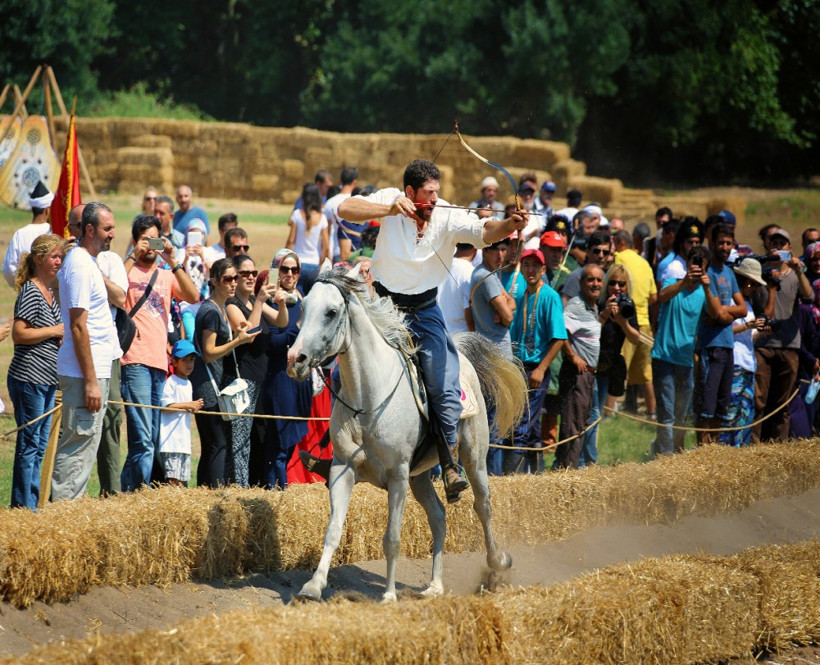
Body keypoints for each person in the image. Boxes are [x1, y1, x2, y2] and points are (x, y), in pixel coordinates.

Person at [335, 159, 526, 501]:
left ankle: (449, 462)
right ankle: (341, 449)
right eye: (428, 193)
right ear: (409, 192)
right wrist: (388, 208)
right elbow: (345, 207)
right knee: (347, 367)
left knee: (442, 383)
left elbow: (485, 233)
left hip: (424, 311)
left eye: (437, 192)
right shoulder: (393, 199)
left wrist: (508, 225)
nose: (435, 199)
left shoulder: (448, 215)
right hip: (382, 307)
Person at [119, 215, 200, 491]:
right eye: (145, 239)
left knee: (151, 438)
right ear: (135, 240)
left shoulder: (166, 273)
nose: (151, 246)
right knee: (142, 438)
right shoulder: (126, 270)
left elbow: (193, 295)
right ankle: (135, 496)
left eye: (155, 239)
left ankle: (128, 492)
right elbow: (113, 290)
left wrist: (173, 259)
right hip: (134, 360)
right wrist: (133, 254)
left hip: (159, 363)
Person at [51, 202, 119, 501]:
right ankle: (62, 523)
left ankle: (68, 516)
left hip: (93, 370)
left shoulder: (87, 262)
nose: (112, 234)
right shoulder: (79, 264)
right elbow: (78, 327)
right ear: (89, 229)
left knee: (83, 452)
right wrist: (91, 381)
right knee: (76, 453)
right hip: (83, 376)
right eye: (107, 228)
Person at [190, 258, 260, 488]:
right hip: (206, 385)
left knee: (213, 444)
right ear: (214, 282)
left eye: (235, 278)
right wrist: (237, 342)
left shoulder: (219, 309)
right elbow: (208, 353)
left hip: (211, 383)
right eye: (227, 279)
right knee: (217, 443)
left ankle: (204, 491)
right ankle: (215, 493)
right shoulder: (210, 311)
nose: (233, 283)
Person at [8, 234, 64, 509]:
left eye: (60, 257)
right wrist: (54, 331)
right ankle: (23, 508)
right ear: (40, 258)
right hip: (29, 377)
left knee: (39, 445)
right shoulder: (31, 291)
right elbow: (19, 333)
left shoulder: (50, 291)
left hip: (46, 379)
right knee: (30, 445)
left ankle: (30, 504)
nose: (58, 261)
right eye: (54, 256)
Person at [226, 254, 288, 486]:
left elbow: (281, 322)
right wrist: (261, 302)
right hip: (243, 379)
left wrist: (280, 304)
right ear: (236, 276)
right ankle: (240, 485)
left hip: (262, 380)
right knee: (242, 440)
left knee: (260, 438)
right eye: (245, 274)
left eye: (254, 273)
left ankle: (257, 484)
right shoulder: (232, 304)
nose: (251, 277)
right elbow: (248, 334)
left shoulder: (254, 301)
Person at [507, 249, 566, 474]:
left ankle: (514, 478)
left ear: (543, 270)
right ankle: (537, 475)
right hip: (518, 367)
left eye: (535, 265)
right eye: (526, 265)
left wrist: (541, 369)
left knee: (522, 425)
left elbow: (559, 338)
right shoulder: (521, 296)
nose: (530, 270)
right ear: (521, 269)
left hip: (535, 370)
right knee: (528, 427)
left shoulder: (550, 296)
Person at [751, 227, 812, 441]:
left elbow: (809, 296)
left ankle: (778, 449)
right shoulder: (759, 273)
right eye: (773, 243)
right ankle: (755, 446)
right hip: (763, 346)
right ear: (768, 246)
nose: (777, 247)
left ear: (790, 248)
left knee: (782, 403)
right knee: (759, 400)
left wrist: (798, 270)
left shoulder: (796, 275)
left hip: (789, 346)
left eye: (782, 244)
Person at [651, 246, 710, 456]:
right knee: (666, 414)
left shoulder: (705, 293)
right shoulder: (672, 282)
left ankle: (671, 452)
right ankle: (666, 458)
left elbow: (715, 312)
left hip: (685, 361)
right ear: (687, 264)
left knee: (681, 415)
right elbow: (662, 295)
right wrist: (685, 281)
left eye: (701, 265)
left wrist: (708, 288)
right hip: (663, 357)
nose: (696, 268)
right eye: (693, 262)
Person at [261, 250, 312, 489]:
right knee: (279, 446)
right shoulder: (271, 300)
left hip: (299, 381)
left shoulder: (302, 300)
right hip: (279, 377)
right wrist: (298, 327)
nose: (290, 274)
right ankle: (277, 493)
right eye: (284, 269)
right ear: (276, 272)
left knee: (289, 444)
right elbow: (274, 344)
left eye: (295, 270)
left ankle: (279, 490)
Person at [694, 223, 748, 444]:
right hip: (711, 345)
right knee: (706, 405)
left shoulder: (729, 272)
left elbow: (743, 309)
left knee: (721, 405)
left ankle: (713, 451)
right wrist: (723, 313)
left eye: (728, 243)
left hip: (727, 343)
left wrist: (725, 313)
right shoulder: (708, 273)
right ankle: (703, 451)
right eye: (721, 243)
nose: (725, 247)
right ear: (712, 243)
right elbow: (715, 312)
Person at [583, 264, 640, 466]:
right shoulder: (597, 303)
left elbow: (636, 338)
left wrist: (622, 322)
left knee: (595, 415)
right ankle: (588, 462)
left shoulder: (627, 305)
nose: (616, 287)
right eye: (613, 283)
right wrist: (605, 314)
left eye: (621, 284)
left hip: (609, 367)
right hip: (591, 366)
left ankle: (587, 462)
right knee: (593, 415)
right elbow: (588, 335)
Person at [554, 264, 603, 470]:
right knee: (573, 427)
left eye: (599, 280)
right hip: (577, 375)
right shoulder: (577, 304)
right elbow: (560, 331)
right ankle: (568, 473)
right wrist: (573, 356)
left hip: (587, 376)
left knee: (579, 424)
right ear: (581, 283)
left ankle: (564, 469)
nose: (595, 284)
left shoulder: (592, 306)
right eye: (590, 280)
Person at [719, 259, 767, 446]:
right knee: (731, 413)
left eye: (756, 285)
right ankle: (724, 450)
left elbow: (747, 335)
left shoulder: (747, 304)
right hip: (735, 362)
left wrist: (760, 332)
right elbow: (725, 331)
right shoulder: (730, 301)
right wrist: (748, 325)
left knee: (745, 413)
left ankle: (739, 451)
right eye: (752, 283)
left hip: (748, 362)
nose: (754, 288)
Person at [612, 229, 657, 419]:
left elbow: (613, 279)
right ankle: (653, 413)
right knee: (646, 373)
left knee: (618, 368)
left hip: (626, 322)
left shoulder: (619, 257)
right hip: (645, 323)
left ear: (621, 244)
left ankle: (609, 412)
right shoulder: (645, 263)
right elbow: (654, 297)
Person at [159, 339, 204, 485]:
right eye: (185, 360)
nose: (189, 364)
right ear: (174, 361)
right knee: (173, 479)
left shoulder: (188, 383)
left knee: (182, 479)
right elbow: (165, 406)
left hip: (183, 440)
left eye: (192, 360)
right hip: (171, 441)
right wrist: (189, 405)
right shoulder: (171, 382)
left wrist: (193, 407)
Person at [467, 237, 515, 356]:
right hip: (496, 352)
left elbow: (512, 301)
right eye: (495, 249)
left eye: (503, 249)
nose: (500, 255)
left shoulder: (488, 273)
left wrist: (500, 311)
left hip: (492, 351)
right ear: (484, 250)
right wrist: (504, 311)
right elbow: (508, 318)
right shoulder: (486, 276)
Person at [3, 181, 53, 288]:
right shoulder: (53, 231)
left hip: (27, 290)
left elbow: (8, 269)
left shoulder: (20, 234)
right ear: (47, 210)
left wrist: (22, 286)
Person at [286, 182, 329, 294]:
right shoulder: (322, 218)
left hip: (298, 263)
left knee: (296, 296)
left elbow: (291, 241)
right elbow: (326, 246)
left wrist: (286, 257)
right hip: (314, 264)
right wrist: (320, 263)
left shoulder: (296, 214)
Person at [437, 243, 476, 335]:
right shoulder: (471, 273)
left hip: (441, 336)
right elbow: (469, 316)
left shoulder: (440, 267)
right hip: (462, 341)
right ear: (475, 249)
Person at [325, 166, 359, 261]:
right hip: (354, 252)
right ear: (355, 182)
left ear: (341, 180)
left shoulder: (330, 202)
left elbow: (326, 233)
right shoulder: (358, 201)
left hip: (335, 251)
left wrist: (327, 254)